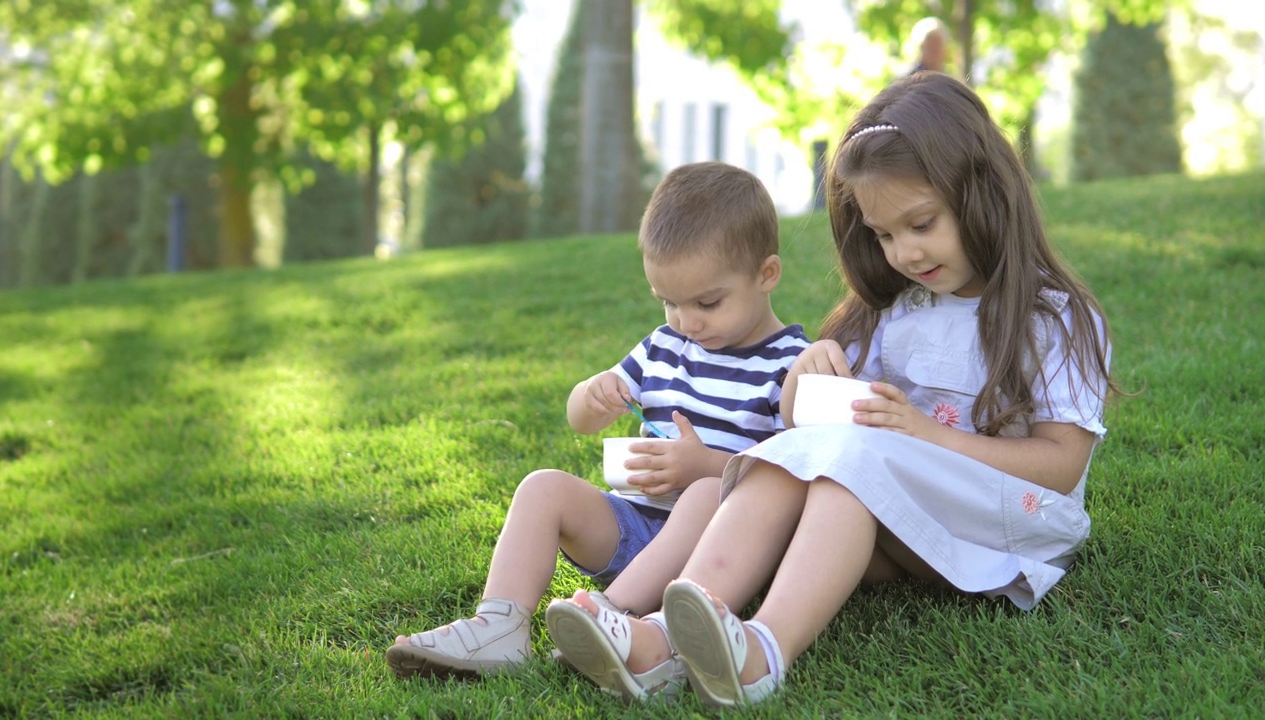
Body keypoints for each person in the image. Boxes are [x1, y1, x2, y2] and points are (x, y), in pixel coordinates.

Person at [548, 71, 1118, 708]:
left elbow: (1062, 468)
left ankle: (765, 652)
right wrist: (805, 374)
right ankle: (657, 638)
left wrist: (926, 434)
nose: (902, 251)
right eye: (881, 233)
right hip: (896, 527)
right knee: (807, 460)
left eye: (920, 223)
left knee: (850, 465)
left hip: (1002, 528)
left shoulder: (1051, 317)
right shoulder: (895, 311)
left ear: (982, 193)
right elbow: (799, 430)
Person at [385, 161, 809, 684]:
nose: (687, 322)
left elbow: (793, 478)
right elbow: (578, 419)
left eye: (707, 303)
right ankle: (499, 625)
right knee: (543, 488)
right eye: (669, 303)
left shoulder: (790, 363)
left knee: (703, 494)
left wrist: (704, 466)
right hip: (635, 529)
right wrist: (592, 395)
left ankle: (610, 613)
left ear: (766, 274)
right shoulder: (663, 347)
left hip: (717, 550)